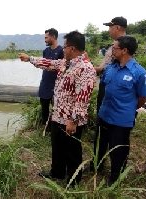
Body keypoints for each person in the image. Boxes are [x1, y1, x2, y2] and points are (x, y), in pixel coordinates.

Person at [19, 31, 97, 187]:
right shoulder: (66, 63)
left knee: (72, 151)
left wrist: (73, 121)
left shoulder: (85, 69)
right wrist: (30, 59)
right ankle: (57, 171)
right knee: (58, 147)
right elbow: (49, 63)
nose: (63, 49)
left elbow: (82, 99)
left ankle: (74, 181)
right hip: (57, 116)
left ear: (73, 48)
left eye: (65, 46)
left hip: (70, 120)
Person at [97, 35, 146, 186]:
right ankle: (98, 164)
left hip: (121, 119)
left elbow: (143, 98)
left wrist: (128, 108)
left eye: (115, 48)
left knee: (118, 148)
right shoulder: (110, 68)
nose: (112, 50)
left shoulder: (140, 73)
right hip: (104, 113)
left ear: (124, 50)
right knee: (101, 142)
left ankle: (116, 176)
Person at [85, 16, 128, 171]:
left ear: (117, 27)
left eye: (110, 27)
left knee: (109, 127)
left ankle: (105, 165)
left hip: (112, 87)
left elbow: (108, 69)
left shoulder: (124, 46)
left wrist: (90, 69)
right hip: (106, 84)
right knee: (101, 123)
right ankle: (98, 162)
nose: (109, 30)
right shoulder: (114, 46)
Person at [39, 28, 64, 129]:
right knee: (44, 107)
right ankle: (46, 128)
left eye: (46, 37)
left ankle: (56, 127)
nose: (45, 40)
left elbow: (63, 68)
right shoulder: (46, 51)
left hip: (56, 85)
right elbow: (44, 65)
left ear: (53, 37)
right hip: (45, 84)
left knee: (56, 108)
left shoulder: (61, 51)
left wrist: (53, 67)